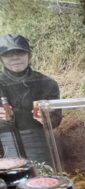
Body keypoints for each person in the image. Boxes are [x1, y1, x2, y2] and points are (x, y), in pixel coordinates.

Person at [0, 34, 60, 164]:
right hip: (4, 143)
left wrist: (48, 118)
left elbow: (56, 121)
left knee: (42, 174)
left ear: (30, 56)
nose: (15, 57)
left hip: (38, 142)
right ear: (1, 59)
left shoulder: (47, 83)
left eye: (20, 53)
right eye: (8, 54)